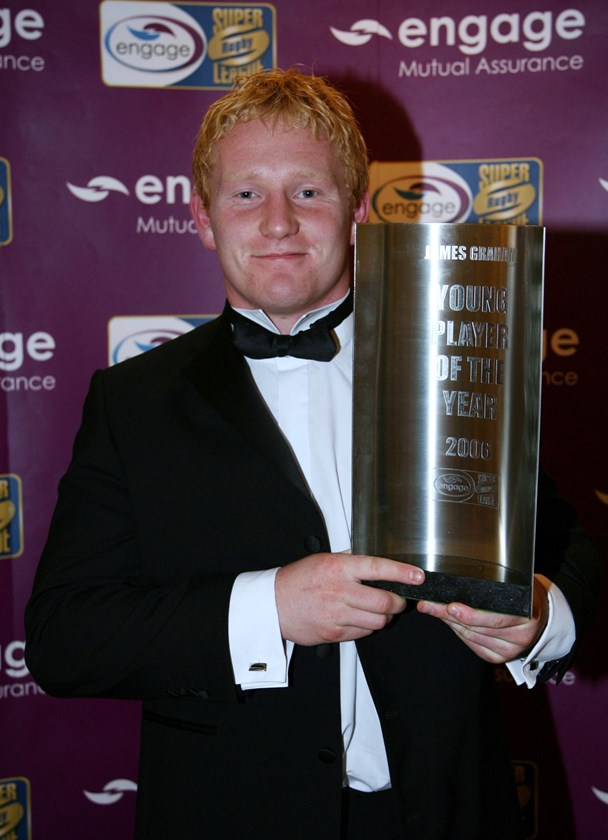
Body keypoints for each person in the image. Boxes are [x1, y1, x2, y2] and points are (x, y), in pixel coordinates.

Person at [25, 68, 601, 839]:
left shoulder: (452, 358)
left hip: (445, 812)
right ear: (201, 217)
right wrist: (269, 609)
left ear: (357, 210)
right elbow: (66, 639)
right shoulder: (131, 402)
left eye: (308, 192)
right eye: (245, 194)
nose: (277, 223)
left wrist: (541, 616)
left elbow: (575, 542)